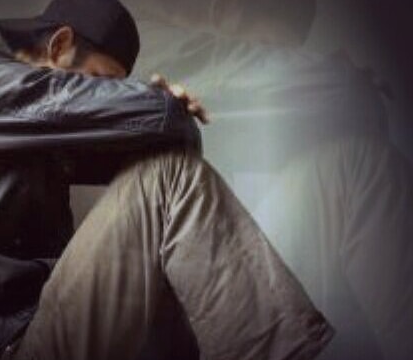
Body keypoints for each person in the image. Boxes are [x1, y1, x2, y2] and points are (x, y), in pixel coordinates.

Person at [0, 0, 333, 359]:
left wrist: (159, 114)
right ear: (60, 45)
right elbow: (171, 129)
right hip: (12, 346)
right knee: (165, 174)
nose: (100, 99)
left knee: (164, 171)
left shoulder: (30, 128)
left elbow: (174, 144)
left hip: (40, 324)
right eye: (100, 84)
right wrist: (160, 107)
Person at [134, 1, 413, 359]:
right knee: (358, 168)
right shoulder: (120, 25)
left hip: (209, 273)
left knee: (350, 166)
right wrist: (335, 75)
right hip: (177, 303)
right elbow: (344, 90)